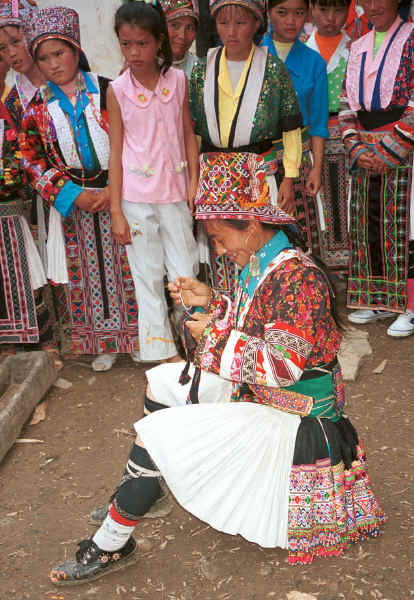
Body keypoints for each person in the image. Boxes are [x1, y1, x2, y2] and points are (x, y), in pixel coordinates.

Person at [49, 152, 385, 586]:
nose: (219, 248)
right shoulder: (263, 264)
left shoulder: (297, 278)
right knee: (162, 384)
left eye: (219, 236)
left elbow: (280, 366)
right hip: (266, 401)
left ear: (252, 223)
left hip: (296, 420)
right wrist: (213, 302)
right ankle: (146, 494)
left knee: (158, 435)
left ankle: (112, 544)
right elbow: (256, 326)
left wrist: (213, 335)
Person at [19, 6, 140, 370]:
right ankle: (102, 341)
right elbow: (30, 159)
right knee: (88, 273)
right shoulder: (37, 108)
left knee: (128, 266)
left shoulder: (109, 90)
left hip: (118, 192)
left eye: (60, 53)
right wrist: (72, 194)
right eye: (44, 58)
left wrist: (114, 190)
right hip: (75, 199)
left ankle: (135, 336)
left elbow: (134, 141)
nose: (53, 63)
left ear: (76, 50)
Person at [190, 0, 303, 295]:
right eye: (223, 23)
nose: (232, 31)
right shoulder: (202, 70)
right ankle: (229, 310)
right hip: (215, 174)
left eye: (240, 23)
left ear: (256, 24)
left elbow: (291, 128)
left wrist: (289, 177)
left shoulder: (273, 69)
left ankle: (264, 306)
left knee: (258, 242)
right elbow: (194, 132)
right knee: (224, 245)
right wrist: (194, 180)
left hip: (258, 172)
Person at [108, 1, 199, 363]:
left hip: (176, 193)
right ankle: (164, 355)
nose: (134, 53)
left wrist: (193, 184)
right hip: (136, 199)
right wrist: (116, 210)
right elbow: (115, 152)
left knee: (185, 271)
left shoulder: (177, 81)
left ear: (160, 41)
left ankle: (196, 342)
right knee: (147, 276)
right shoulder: (117, 90)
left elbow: (188, 134)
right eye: (126, 44)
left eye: (142, 43)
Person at [339, 0, 414, 336]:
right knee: (369, 226)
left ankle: (411, 305)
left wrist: (389, 149)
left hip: (404, 150)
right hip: (365, 150)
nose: (374, 4)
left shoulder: (412, 39)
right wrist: (356, 145)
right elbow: (346, 104)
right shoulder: (358, 46)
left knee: (407, 225)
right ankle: (378, 299)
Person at [0, 0, 59, 365]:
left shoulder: (64, 80)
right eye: (3, 48)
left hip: (75, 183)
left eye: (16, 41)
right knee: (35, 259)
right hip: (32, 188)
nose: (11, 52)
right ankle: (45, 332)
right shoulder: (13, 96)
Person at [261, 0, 330, 259]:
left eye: (299, 13)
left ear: (308, 14)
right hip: (261, 162)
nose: (291, 20)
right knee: (265, 234)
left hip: (299, 160)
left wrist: (317, 167)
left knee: (302, 233)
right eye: (282, 12)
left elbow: (318, 121)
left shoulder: (314, 62)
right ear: (268, 13)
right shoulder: (254, 56)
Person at [306, 0, 351, 272]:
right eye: (324, 9)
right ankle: (320, 265)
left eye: (338, 10)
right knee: (317, 202)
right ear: (311, 8)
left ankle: (348, 264)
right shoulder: (302, 49)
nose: (331, 18)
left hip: (346, 134)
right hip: (311, 136)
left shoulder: (355, 49)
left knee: (344, 200)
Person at [159, 0, 198, 79]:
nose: (182, 36)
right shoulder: (141, 66)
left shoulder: (200, 71)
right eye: (174, 25)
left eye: (189, 28)